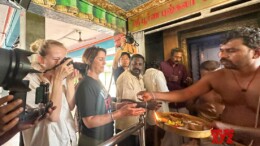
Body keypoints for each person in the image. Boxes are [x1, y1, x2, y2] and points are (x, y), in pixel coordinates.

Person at [138, 27, 260, 146]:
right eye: (222, 50)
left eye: (231, 51)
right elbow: (185, 94)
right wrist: (153, 94)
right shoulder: (217, 77)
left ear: (256, 53)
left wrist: (231, 129)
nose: (221, 56)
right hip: (223, 137)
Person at [75, 46, 146, 146]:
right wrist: (120, 113)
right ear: (90, 61)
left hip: (106, 137)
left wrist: (118, 105)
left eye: (104, 59)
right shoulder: (86, 85)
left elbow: (103, 103)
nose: (104, 62)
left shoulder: (97, 81)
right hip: (93, 140)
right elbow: (89, 121)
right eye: (101, 59)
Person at [22, 40, 78, 146]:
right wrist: (58, 79)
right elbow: (53, 116)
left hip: (66, 140)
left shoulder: (61, 79)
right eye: (56, 59)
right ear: (41, 59)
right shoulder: (29, 81)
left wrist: (70, 81)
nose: (61, 64)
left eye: (63, 60)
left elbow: (70, 106)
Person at [160, 48, 192, 145]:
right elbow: (157, 81)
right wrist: (168, 78)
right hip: (168, 102)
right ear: (171, 55)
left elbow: (184, 82)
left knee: (184, 125)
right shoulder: (163, 65)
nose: (178, 59)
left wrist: (188, 81)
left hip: (181, 102)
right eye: (176, 57)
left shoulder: (182, 67)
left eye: (180, 57)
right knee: (172, 128)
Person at [116, 54, 145, 146]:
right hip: (126, 127)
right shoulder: (126, 77)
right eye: (135, 64)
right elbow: (127, 102)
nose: (137, 66)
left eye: (140, 64)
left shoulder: (140, 77)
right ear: (130, 64)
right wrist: (147, 105)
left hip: (136, 124)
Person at [143, 62, 169, 146]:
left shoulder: (143, 75)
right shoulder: (158, 73)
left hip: (150, 109)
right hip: (160, 108)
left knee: (153, 136)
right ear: (158, 67)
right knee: (159, 136)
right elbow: (164, 92)